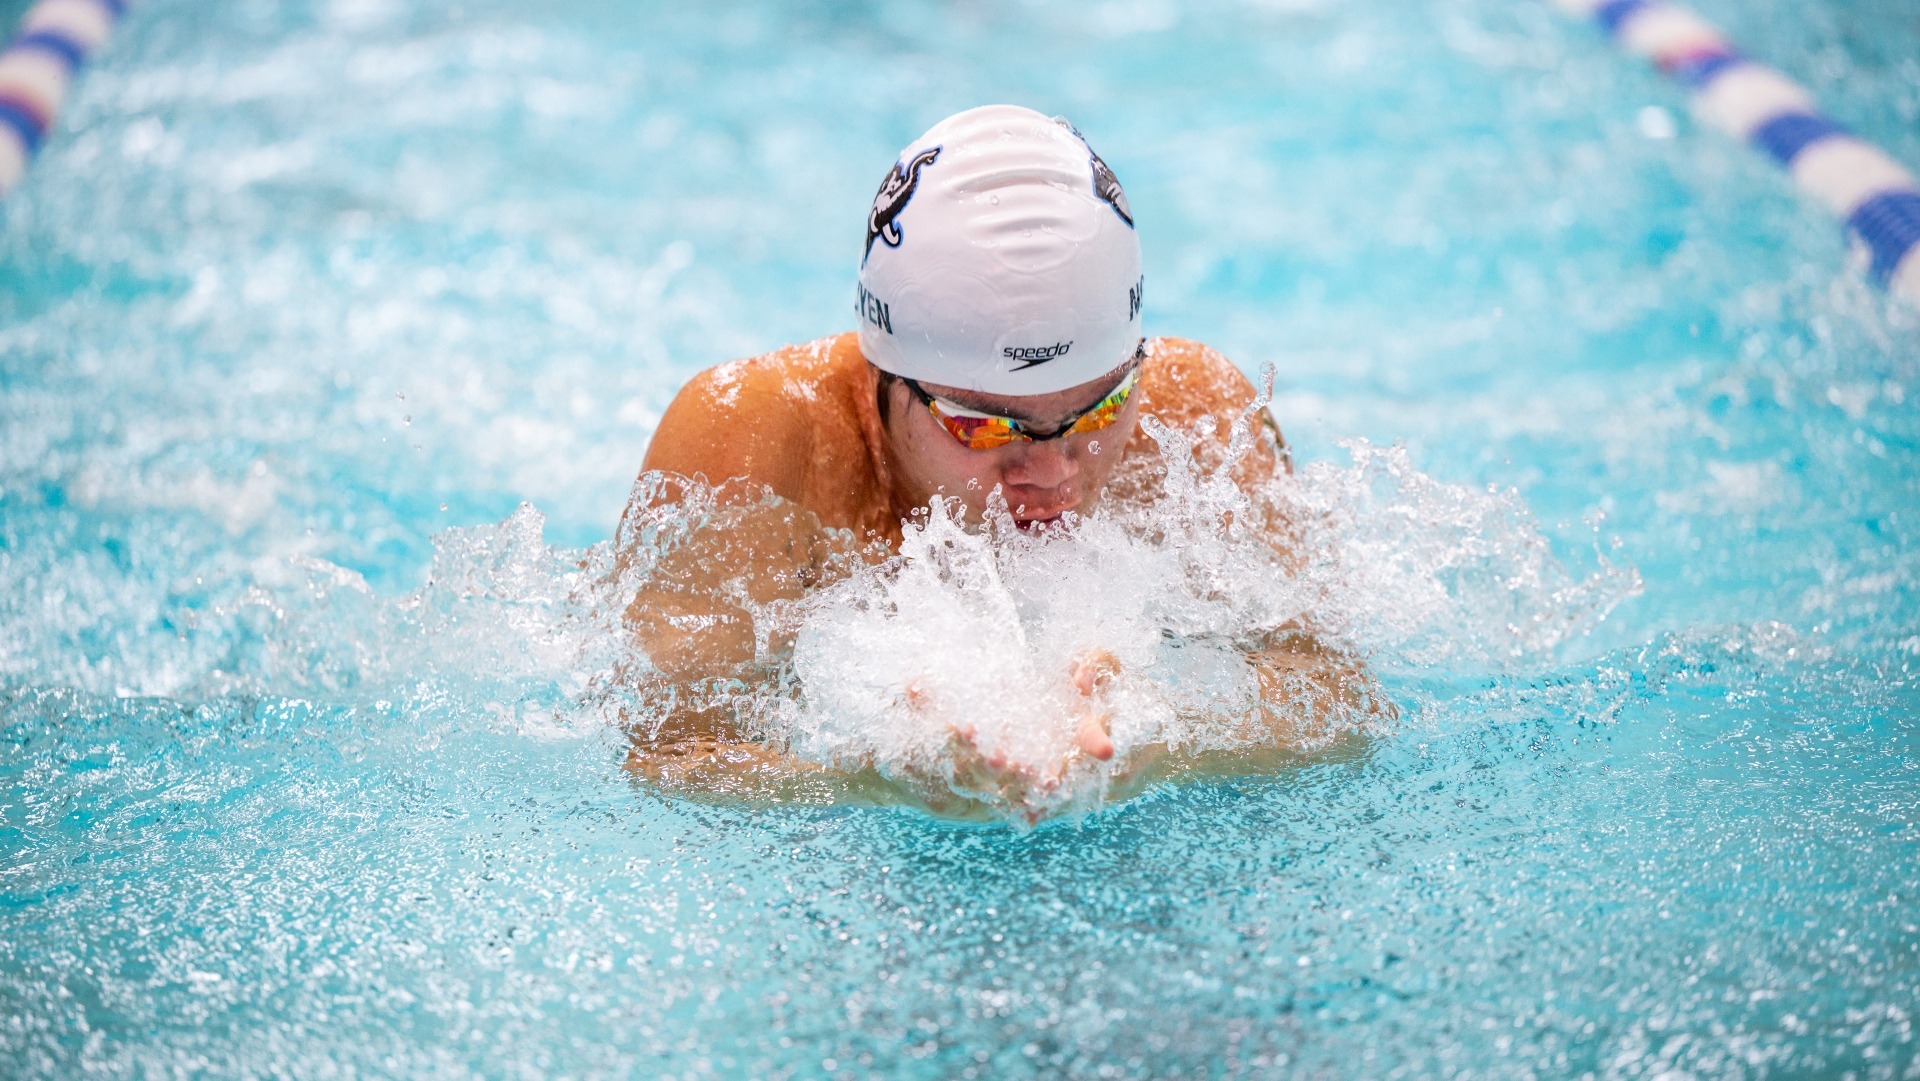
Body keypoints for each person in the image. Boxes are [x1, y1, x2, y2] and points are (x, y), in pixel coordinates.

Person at [615, 105, 1378, 820]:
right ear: (888, 375)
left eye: (1102, 411)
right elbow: (666, 749)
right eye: (986, 426)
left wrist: (1161, 740)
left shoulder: (1195, 415)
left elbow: (1340, 699)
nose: (1053, 476)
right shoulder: (757, 443)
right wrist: (874, 777)